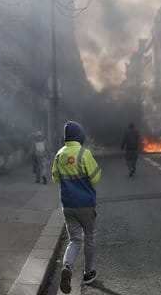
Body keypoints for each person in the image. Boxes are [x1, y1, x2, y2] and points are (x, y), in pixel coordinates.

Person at [52, 121, 102, 294]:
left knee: (74, 239)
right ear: (80, 135)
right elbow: (95, 178)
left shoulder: (59, 154)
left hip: (68, 206)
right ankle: (88, 273)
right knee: (89, 237)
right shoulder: (84, 153)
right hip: (86, 205)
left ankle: (67, 265)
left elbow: (55, 179)